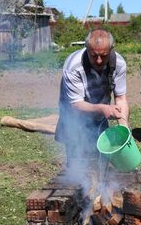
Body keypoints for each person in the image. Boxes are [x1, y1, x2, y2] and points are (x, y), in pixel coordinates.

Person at [55, 29, 129, 167]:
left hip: (100, 111)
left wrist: (124, 129)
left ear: (111, 49)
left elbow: (121, 98)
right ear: (87, 49)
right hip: (74, 114)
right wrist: (102, 108)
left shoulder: (118, 63)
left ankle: (101, 183)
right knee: (78, 159)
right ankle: (78, 182)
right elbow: (76, 104)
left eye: (104, 55)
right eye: (94, 55)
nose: (99, 60)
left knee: (101, 156)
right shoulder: (73, 67)